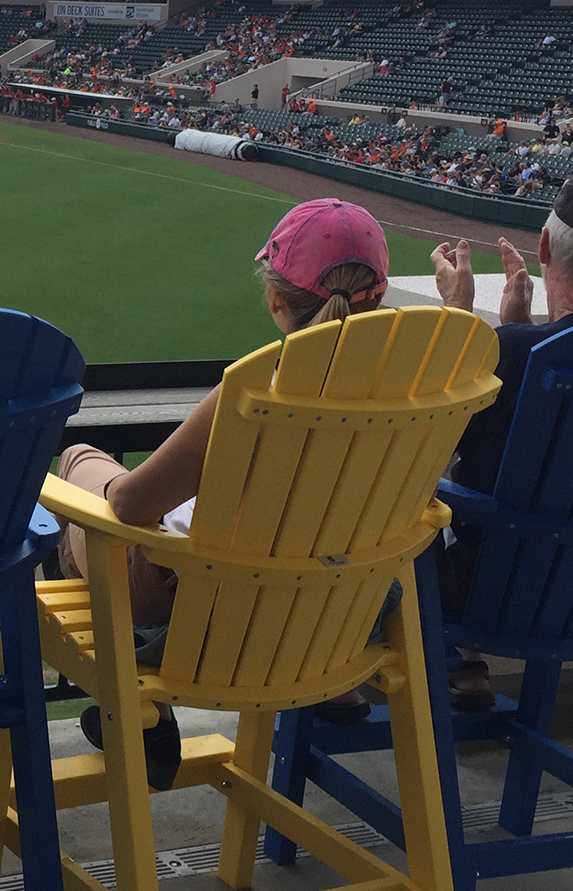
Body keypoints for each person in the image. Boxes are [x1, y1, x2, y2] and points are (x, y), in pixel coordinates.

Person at [52, 199, 394, 790]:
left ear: (277, 302)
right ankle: (335, 692)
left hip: (210, 614)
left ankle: (134, 708)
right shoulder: (416, 390)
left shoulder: (257, 387)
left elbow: (132, 507)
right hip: (335, 620)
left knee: (79, 467)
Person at [428, 169, 573, 709]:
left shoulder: (511, 355)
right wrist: (527, 328)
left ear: (543, 248)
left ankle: (352, 681)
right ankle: (467, 667)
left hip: (497, 594)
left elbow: (424, 446)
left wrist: (457, 320)